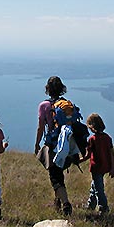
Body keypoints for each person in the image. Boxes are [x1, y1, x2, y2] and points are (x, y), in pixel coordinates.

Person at [35, 76, 73, 215]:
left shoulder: (44, 106)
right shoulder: (66, 104)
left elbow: (40, 127)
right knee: (59, 173)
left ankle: (66, 203)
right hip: (66, 145)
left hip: (52, 145)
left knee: (55, 176)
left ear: (48, 89)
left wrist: (37, 144)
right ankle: (57, 202)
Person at [83, 113, 114, 215]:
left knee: (98, 190)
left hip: (96, 167)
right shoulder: (107, 138)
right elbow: (111, 153)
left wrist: (78, 160)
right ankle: (90, 205)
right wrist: (112, 168)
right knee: (95, 186)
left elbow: (88, 155)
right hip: (105, 166)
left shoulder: (92, 139)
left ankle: (104, 208)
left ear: (92, 127)